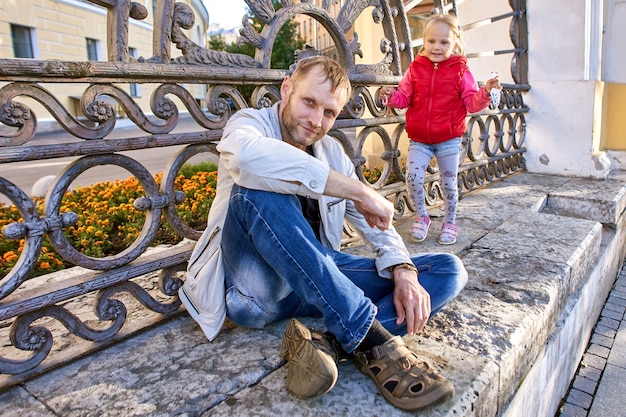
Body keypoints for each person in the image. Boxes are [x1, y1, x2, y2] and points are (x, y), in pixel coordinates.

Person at [180, 55, 468, 411]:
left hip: (318, 285)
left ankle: (326, 344)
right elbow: (248, 160)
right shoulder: (249, 124)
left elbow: (375, 225)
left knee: (445, 271)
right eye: (309, 102)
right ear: (287, 89)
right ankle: (369, 337)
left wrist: (403, 270)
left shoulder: (332, 152)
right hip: (258, 293)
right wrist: (359, 190)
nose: (317, 121)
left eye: (329, 112)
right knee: (254, 188)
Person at [379, 13, 502, 245]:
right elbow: (403, 97)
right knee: (413, 177)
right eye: (432, 41)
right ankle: (422, 217)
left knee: (448, 182)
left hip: (449, 139)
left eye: (444, 42)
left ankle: (450, 222)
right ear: (424, 41)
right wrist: (390, 96)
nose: (437, 47)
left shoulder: (461, 71)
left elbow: (472, 103)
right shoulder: (415, 68)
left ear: (454, 43)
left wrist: (485, 91)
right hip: (420, 139)